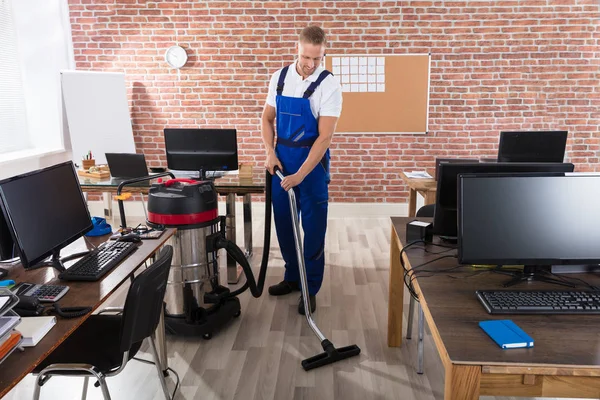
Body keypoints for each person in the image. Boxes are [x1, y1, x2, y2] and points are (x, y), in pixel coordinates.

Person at [261, 25, 342, 315]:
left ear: (323, 54)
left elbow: (325, 137)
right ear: (298, 49)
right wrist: (270, 154)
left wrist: (302, 174)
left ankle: (311, 288)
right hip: (282, 163)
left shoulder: (329, 85)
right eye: (306, 57)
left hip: (312, 166)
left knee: (314, 229)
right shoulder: (279, 78)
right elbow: (267, 119)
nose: (310, 64)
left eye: (317, 59)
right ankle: (292, 278)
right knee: (284, 225)